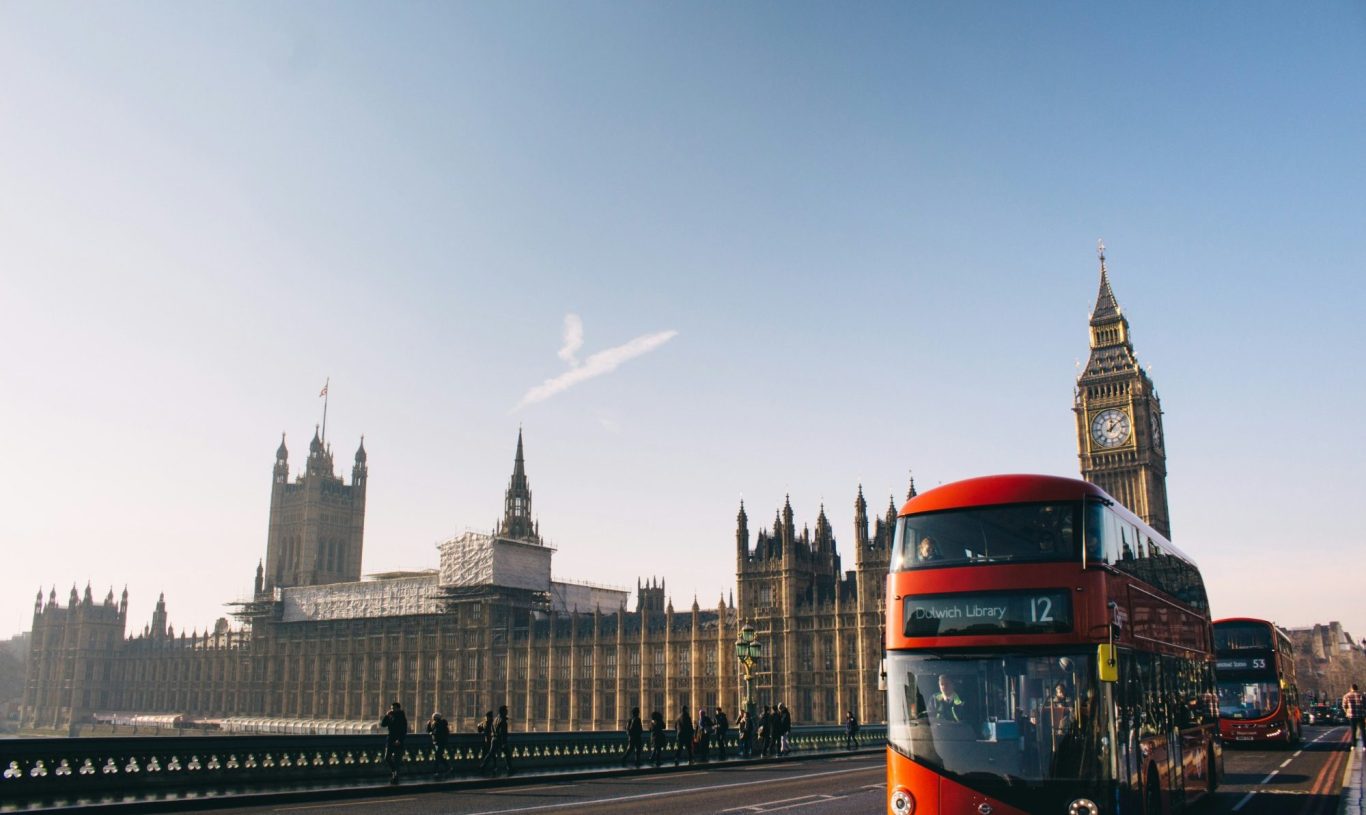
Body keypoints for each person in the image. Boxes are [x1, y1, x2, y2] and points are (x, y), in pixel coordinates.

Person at [480, 705, 513, 775]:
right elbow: (503, 732)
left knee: (490, 754)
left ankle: (482, 767)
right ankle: (510, 768)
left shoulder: (495, 719)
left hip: (494, 739)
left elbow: (492, 728)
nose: (507, 711)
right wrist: (504, 742)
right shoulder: (502, 720)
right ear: (503, 711)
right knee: (507, 754)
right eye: (506, 710)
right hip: (500, 740)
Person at [380, 701, 408, 784]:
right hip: (390, 739)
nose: (392, 710)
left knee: (397, 760)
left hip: (398, 741)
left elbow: (404, 731)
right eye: (391, 708)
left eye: (394, 708)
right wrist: (386, 716)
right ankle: (394, 772)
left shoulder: (402, 717)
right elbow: (383, 724)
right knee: (387, 758)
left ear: (398, 709)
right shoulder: (390, 716)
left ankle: (396, 777)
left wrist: (399, 740)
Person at [426, 711, 450, 776]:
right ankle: (448, 768)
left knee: (438, 757)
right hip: (438, 742)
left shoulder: (439, 724)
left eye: (434, 718)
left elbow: (435, 732)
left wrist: (432, 732)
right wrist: (428, 725)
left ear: (436, 718)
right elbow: (430, 731)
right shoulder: (437, 724)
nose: (433, 719)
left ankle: (437, 771)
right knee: (439, 756)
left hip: (439, 742)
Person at [1345, 684, 1365, 749]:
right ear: (1357, 688)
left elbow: (1344, 706)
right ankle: (1365, 745)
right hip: (1360, 715)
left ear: (1351, 688)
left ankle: (1353, 745)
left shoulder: (1347, 696)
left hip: (1351, 715)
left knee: (1353, 730)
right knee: (1362, 730)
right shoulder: (1361, 696)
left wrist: (1347, 711)